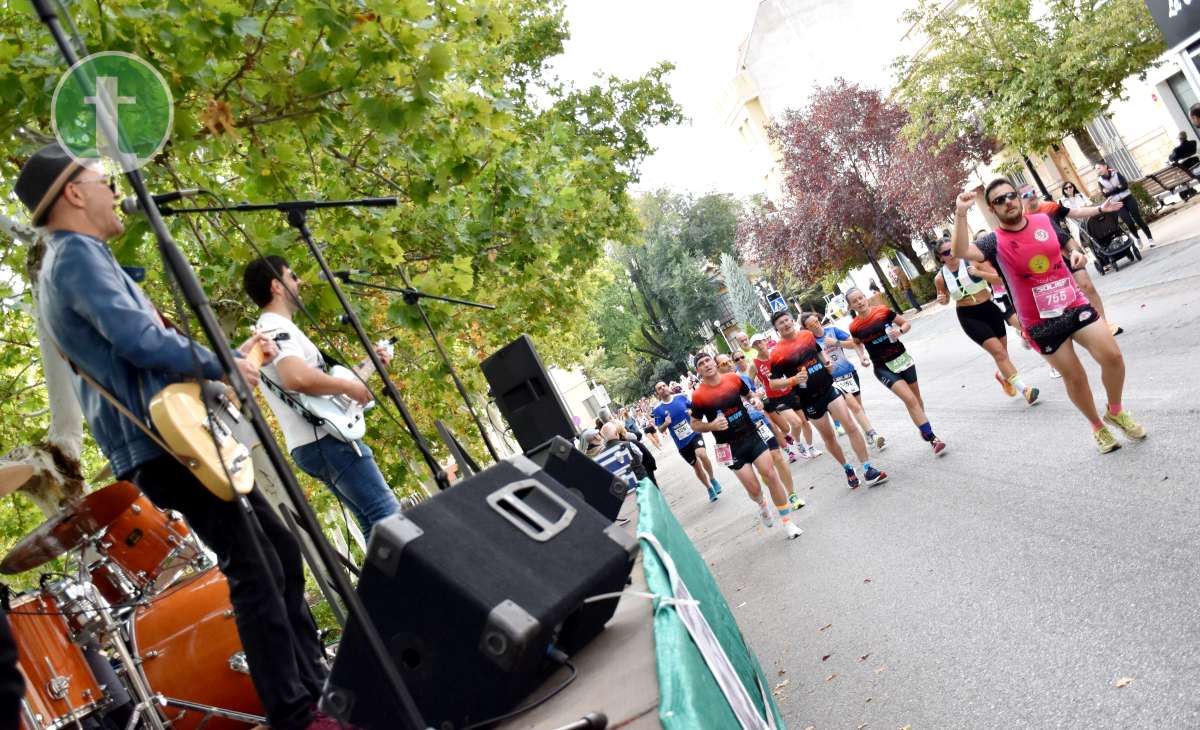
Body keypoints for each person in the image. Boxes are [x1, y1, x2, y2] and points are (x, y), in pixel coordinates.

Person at [17, 143, 334, 730]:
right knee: (256, 564)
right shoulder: (77, 257)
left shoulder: (73, 259)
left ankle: (315, 693)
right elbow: (137, 340)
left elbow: (136, 351)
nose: (116, 191)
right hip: (159, 443)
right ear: (74, 193)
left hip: (165, 438)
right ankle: (297, 713)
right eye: (102, 180)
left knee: (276, 552)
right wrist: (219, 362)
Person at [951, 180, 1147, 453]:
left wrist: (1077, 252)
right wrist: (961, 213)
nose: (1008, 201)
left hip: (1073, 304)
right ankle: (1097, 427)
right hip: (1041, 322)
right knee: (1075, 376)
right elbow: (961, 251)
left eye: (1011, 196)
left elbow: (1069, 243)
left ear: (1018, 199)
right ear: (993, 209)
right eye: (999, 200)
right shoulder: (994, 241)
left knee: (1112, 356)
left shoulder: (1043, 221)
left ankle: (1115, 410)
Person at [243, 256, 400, 537]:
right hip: (326, 439)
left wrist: (369, 364)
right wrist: (350, 388)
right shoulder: (276, 328)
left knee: (372, 523)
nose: (299, 281)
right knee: (387, 514)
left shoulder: (273, 328)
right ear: (276, 286)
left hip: (311, 442)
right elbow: (297, 378)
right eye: (293, 276)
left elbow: (319, 386)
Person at [767, 310, 888, 490]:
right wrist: (792, 380)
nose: (785, 325)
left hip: (828, 389)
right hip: (809, 400)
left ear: (792, 320)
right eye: (780, 324)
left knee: (851, 425)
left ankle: (868, 468)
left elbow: (818, 352)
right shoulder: (777, 353)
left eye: (786, 320)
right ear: (777, 329)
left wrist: (827, 365)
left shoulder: (807, 335)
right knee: (829, 438)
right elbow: (773, 383)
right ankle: (847, 468)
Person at [690, 353, 803, 539]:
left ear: (714, 363)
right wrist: (711, 426)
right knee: (754, 490)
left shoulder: (733, 379)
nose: (706, 365)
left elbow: (751, 396)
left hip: (751, 436)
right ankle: (762, 505)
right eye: (701, 364)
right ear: (698, 371)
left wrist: (756, 401)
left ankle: (788, 523)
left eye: (708, 360)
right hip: (729, 447)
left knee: (771, 475)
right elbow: (694, 424)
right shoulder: (699, 395)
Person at [933, 240, 1039, 405]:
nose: (952, 254)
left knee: (1002, 352)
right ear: (940, 258)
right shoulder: (940, 278)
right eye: (946, 253)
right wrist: (942, 299)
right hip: (969, 316)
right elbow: (945, 299)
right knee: (999, 353)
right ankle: (1025, 389)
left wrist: (980, 273)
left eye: (953, 249)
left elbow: (999, 279)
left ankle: (1003, 376)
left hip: (990, 309)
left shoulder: (972, 261)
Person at [846, 288, 948, 456]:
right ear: (851, 306)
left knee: (916, 400)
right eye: (855, 301)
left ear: (865, 297)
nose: (859, 302)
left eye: (861, 297)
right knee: (909, 399)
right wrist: (862, 356)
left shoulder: (883, 311)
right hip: (882, 366)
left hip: (902, 358)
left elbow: (906, 323)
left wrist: (900, 331)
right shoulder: (855, 326)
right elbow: (857, 343)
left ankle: (923, 427)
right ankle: (932, 438)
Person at [1020, 184, 1122, 338]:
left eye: (1033, 191)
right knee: (1064, 301)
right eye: (1026, 194)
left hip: (1068, 252)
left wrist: (1100, 209)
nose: (1031, 195)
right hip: (1046, 265)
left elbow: (1075, 212)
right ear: (1020, 200)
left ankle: (1104, 325)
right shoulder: (1021, 220)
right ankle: (1074, 332)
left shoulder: (1049, 207)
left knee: (1087, 286)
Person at [716, 353, 805, 512]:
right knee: (765, 468)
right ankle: (767, 485)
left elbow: (754, 395)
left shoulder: (742, 379)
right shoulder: (714, 393)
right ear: (717, 369)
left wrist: (758, 401)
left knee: (777, 457)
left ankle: (792, 495)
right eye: (724, 364)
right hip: (741, 433)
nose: (730, 365)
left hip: (759, 423)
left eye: (730, 361)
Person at [798, 312, 887, 448]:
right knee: (854, 406)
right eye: (811, 325)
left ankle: (867, 433)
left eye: (816, 321)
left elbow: (854, 343)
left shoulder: (832, 330)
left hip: (848, 372)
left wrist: (836, 342)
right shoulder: (810, 343)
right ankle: (873, 434)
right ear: (807, 329)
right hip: (832, 380)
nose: (816, 325)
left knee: (858, 407)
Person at [747, 332, 821, 460]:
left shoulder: (777, 354)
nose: (759, 345)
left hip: (791, 391)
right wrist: (755, 394)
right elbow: (748, 384)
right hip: (776, 397)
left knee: (805, 422)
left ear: (765, 341)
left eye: (760, 341)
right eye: (755, 344)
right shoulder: (754, 364)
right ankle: (798, 444)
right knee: (796, 423)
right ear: (753, 347)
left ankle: (810, 447)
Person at [651, 381, 724, 501]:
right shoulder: (658, 409)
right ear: (657, 393)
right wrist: (666, 423)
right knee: (697, 467)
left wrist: (692, 412)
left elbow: (694, 409)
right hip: (681, 443)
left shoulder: (680, 397)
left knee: (702, 454)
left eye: (664, 386)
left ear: (667, 387)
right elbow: (660, 428)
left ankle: (712, 478)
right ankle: (709, 488)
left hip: (694, 433)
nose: (662, 388)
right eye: (659, 388)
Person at [1096, 162, 1153, 247]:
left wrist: (1111, 191)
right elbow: (1105, 195)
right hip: (1117, 203)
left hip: (1128, 198)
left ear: (1105, 166)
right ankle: (1137, 238)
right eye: (1096, 169)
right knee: (1129, 222)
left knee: (1138, 219)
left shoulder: (1116, 173)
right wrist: (1118, 188)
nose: (1097, 170)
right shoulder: (1100, 181)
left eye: (1099, 168)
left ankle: (1150, 238)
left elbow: (1125, 186)